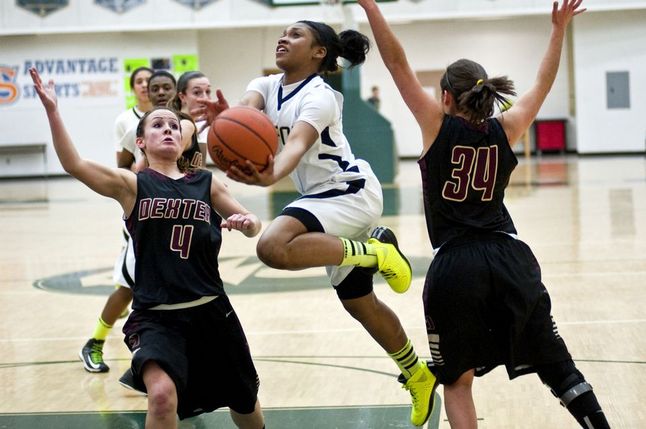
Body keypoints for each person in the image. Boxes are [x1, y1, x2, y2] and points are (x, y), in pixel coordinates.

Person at [358, 0, 610, 428]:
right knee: (557, 365)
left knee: (458, 382)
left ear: (445, 97)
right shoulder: (507, 128)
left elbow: (397, 63)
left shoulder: (436, 124)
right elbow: (543, 84)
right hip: (511, 258)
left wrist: (369, 6)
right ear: (487, 93)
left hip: (457, 266)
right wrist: (557, 29)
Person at [196, 20, 438, 427]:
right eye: (283, 33)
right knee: (359, 304)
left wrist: (270, 176)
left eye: (295, 35)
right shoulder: (266, 85)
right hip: (322, 199)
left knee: (271, 247)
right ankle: (418, 373)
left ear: (318, 52)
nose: (282, 38)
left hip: (348, 190)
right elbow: (246, 114)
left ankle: (375, 252)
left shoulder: (321, 97)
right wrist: (228, 120)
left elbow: (293, 149)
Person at [31, 67, 266, 429]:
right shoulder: (132, 185)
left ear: (186, 140)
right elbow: (73, 164)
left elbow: (253, 225)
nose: (168, 129)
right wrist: (53, 112)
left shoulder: (206, 183)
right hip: (157, 317)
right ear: (140, 142)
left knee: (245, 401)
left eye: (173, 125)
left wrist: (246, 223)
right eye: (157, 125)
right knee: (160, 396)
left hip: (212, 311)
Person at [79, 66, 153, 373]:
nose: (149, 88)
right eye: (142, 82)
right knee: (129, 288)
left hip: (175, 212)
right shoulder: (127, 122)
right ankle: (95, 341)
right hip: (142, 212)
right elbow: (121, 169)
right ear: (133, 88)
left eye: (156, 83)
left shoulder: (179, 123)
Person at [169, 70, 212, 162]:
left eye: (208, 91)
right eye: (197, 92)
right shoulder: (186, 124)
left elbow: (198, 170)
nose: (205, 98)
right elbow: (166, 161)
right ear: (182, 97)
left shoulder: (198, 123)